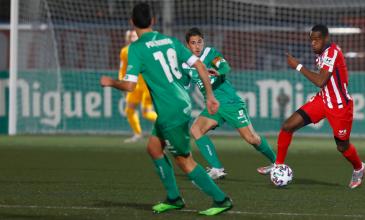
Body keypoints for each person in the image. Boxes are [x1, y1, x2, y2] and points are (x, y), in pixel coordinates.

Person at [100, 3, 232, 216]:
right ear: (153, 20)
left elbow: (130, 86)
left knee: (184, 160)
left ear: (132, 22)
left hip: (172, 111)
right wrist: (209, 95)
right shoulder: (169, 40)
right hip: (178, 105)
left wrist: (110, 81)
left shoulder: (137, 48)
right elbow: (199, 65)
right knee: (153, 148)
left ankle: (221, 199)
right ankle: (173, 198)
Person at [257, 24, 365, 189]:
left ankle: (359, 168)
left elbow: (320, 81)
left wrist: (298, 66)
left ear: (326, 39)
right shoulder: (321, 53)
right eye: (311, 40)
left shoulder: (332, 52)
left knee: (342, 146)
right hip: (322, 101)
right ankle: (278, 165)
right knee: (287, 126)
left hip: (339, 107)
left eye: (317, 40)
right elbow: (325, 84)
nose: (313, 43)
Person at [181, 28, 276, 179]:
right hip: (214, 106)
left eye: (199, 42)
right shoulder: (186, 65)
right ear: (187, 45)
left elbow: (225, 66)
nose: (197, 46)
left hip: (230, 102)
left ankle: (277, 163)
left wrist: (219, 72)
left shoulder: (210, 54)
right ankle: (217, 168)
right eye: (193, 43)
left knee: (251, 138)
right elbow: (183, 86)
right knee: (196, 129)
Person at [118, 30, 157, 143]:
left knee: (146, 113)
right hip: (133, 84)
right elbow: (122, 69)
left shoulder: (146, 49)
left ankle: (167, 125)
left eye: (134, 36)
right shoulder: (124, 51)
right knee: (129, 109)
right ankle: (137, 134)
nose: (132, 38)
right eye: (130, 36)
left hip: (146, 84)